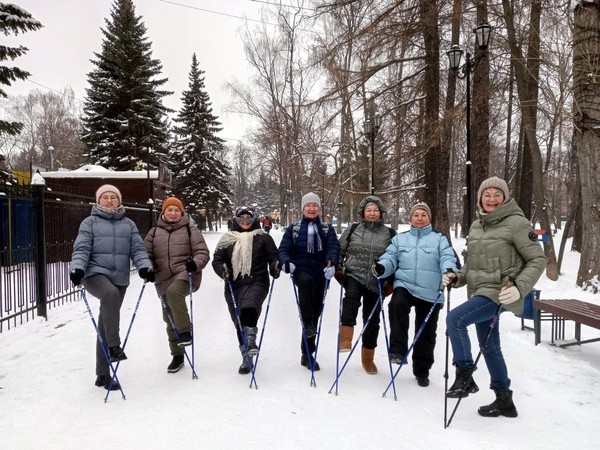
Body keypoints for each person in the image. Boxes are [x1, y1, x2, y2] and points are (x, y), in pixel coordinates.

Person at [443, 176, 545, 417]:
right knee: (490, 346)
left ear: (505, 197)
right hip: (478, 292)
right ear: (480, 198)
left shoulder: (517, 223)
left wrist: (520, 287)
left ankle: (465, 374)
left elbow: (538, 260)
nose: (492, 199)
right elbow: (472, 266)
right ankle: (504, 400)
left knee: (455, 320)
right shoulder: (477, 225)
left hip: (499, 293)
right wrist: (457, 277)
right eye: (487, 195)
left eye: (497, 194)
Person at [69, 184, 154, 391]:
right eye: (104, 197)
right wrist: (77, 269)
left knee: (105, 324)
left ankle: (102, 374)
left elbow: (138, 249)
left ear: (119, 200)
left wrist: (144, 268)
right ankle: (115, 347)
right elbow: (81, 248)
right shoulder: (89, 223)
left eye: (113, 197)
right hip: (94, 274)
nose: (109, 200)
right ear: (98, 201)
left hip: (119, 278)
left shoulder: (129, 224)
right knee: (109, 294)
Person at [374, 202, 459, 387]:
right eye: (416, 215)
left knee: (426, 332)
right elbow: (390, 257)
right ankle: (398, 350)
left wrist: (449, 271)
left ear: (429, 218)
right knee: (397, 305)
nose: (419, 218)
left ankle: (422, 370)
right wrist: (383, 266)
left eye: (423, 215)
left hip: (430, 290)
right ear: (410, 218)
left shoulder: (439, 239)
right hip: (405, 284)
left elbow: (447, 256)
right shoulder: (400, 239)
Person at [144, 197, 210, 374]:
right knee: (168, 318)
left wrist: (195, 263)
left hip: (186, 274)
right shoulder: (154, 232)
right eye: (169, 210)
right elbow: (145, 254)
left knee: (174, 293)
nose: (173, 213)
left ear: (181, 212)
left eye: (176, 210)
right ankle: (177, 355)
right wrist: (147, 268)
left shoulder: (191, 230)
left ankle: (185, 331)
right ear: (163, 212)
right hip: (162, 277)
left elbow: (202, 252)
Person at [212, 206, 280, 374]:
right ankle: (246, 357)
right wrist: (222, 269)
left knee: (249, 307)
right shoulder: (227, 239)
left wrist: (274, 266)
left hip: (257, 280)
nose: (245, 220)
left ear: (253, 219)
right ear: (235, 219)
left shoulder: (263, 237)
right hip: (233, 283)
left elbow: (273, 256)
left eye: (248, 217)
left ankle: (250, 342)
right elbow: (217, 260)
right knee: (238, 321)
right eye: (241, 217)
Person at [278, 192, 340, 371]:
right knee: (306, 284)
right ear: (303, 208)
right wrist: (285, 263)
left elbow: (333, 248)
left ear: (319, 209)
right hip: (301, 270)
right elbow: (283, 249)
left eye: (315, 206)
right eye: (308, 206)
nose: (311, 209)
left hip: (321, 271)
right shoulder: (294, 228)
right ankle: (309, 326)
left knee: (315, 311)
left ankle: (307, 353)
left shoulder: (327, 229)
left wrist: (332, 263)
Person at [336, 195, 396, 375]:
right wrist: (339, 269)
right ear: (363, 212)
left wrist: (390, 281)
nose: (371, 213)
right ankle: (345, 340)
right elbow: (340, 250)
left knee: (372, 319)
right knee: (351, 299)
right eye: (368, 210)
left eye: (375, 210)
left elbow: (396, 258)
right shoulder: (353, 229)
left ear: (381, 213)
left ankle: (368, 359)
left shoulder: (390, 233)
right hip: (354, 274)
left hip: (376, 280)